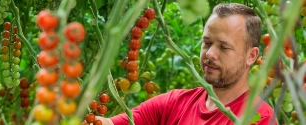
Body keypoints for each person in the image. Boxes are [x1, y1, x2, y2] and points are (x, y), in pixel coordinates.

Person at [97, 3, 277, 125]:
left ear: (251, 56)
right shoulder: (174, 102)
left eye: (224, 47)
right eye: (207, 43)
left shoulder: (259, 117)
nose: (210, 53)